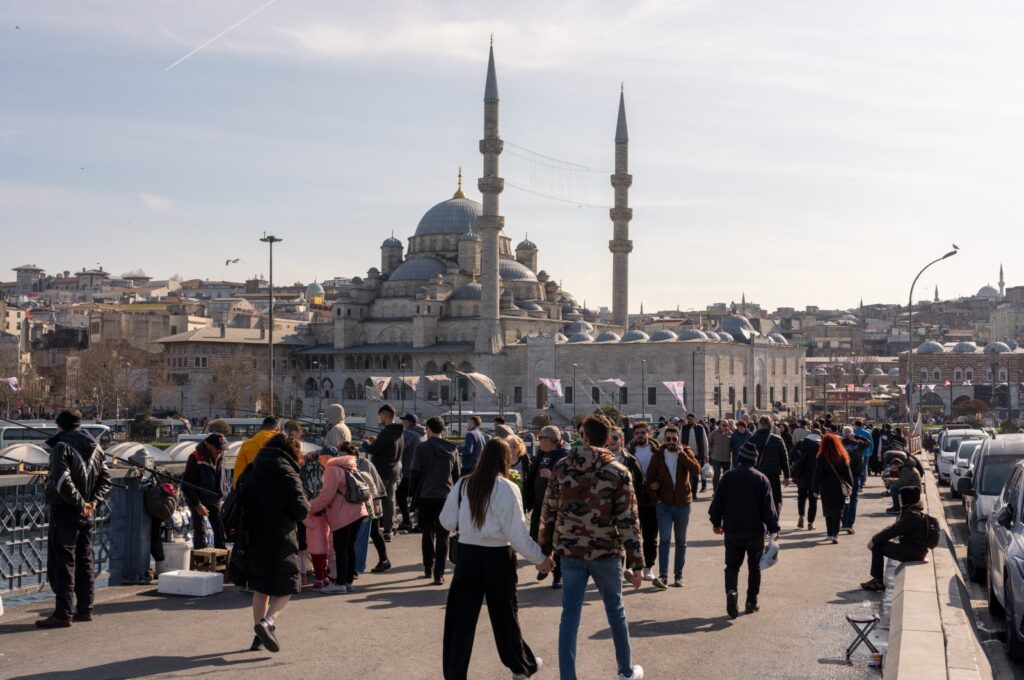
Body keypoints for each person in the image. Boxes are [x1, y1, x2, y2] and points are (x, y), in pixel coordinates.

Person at [539, 415, 645, 680]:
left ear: (583, 437)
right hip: (606, 551)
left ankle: (568, 676)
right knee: (615, 611)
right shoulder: (619, 472)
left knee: (570, 616)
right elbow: (629, 521)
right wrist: (637, 563)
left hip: (571, 552)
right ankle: (626, 671)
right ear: (609, 439)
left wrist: (544, 551)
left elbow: (548, 511)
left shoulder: (563, 467)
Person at [441, 439, 549, 680]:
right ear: (505, 459)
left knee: (460, 620)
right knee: (505, 616)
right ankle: (520, 666)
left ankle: (455, 674)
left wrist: (467, 524)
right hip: (498, 556)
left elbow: (446, 521)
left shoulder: (464, 484)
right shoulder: (507, 488)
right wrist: (540, 558)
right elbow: (517, 534)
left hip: (468, 555)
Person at [231, 433, 309, 652]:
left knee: (261, 586)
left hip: (253, 535)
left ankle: (258, 637)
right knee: (288, 584)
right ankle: (268, 623)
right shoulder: (287, 471)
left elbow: (239, 495)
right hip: (280, 536)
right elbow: (301, 510)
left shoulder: (253, 468)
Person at [36, 410, 112, 628]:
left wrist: (80, 505)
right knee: (85, 560)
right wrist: (93, 503)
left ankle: (63, 613)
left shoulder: (61, 447)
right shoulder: (97, 448)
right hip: (87, 513)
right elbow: (106, 479)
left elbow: (61, 480)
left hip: (67, 512)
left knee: (64, 563)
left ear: (60, 426)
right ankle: (85, 608)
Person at [708, 440, 780, 618]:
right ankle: (751, 602)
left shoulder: (728, 477)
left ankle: (731, 591)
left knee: (732, 566)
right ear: (754, 460)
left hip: (732, 531)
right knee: (754, 567)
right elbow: (768, 509)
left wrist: (716, 523)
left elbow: (717, 504)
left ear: (739, 458)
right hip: (754, 532)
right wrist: (774, 530)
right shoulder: (761, 479)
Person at [308, 441, 369, 594]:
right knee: (349, 548)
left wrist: (309, 507)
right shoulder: (349, 465)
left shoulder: (332, 469)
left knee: (341, 549)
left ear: (326, 458)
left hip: (343, 514)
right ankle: (348, 582)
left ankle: (340, 584)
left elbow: (326, 496)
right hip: (358, 510)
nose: (319, 460)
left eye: (321, 457)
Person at [645, 425, 701, 589]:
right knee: (664, 541)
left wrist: (682, 453)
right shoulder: (658, 456)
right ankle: (663, 576)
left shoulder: (686, 452)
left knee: (681, 542)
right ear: (664, 440)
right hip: (664, 505)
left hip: (683, 504)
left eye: (674, 439)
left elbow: (696, 470)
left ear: (678, 440)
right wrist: (657, 500)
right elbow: (649, 480)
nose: (671, 442)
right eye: (668, 439)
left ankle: (678, 576)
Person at [411, 416, 460, 584]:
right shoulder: (452, 449)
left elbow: (415, 473)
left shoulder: (422, 448)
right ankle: (439, 574)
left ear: (429, 430)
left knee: (427, 533)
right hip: (446, 497)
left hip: (426, 496)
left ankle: (427, 567)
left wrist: (413, 495)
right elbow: (457, 476)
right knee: (443, 536)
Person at [524, 424, 570, 589]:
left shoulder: (565, 455)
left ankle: (558, 575)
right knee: (538, 537)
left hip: (556, 506)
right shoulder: (542, 452)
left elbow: (570, 481)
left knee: (555, 541)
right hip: (539, 504)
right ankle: (545, 564)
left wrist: (552, 476)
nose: (538, 441)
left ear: (551, 440)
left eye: (541, 438)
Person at [861, 486, 930, 591]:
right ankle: (877, 580)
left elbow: (893, 531)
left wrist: (874, 540)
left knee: (878, 546)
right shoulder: (914, 511)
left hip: (914, 552)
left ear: (907, 498)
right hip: (916, 550)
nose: (899, 499)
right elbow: (895, 527)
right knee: (879, 542)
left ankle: (878, 581)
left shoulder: (912, 516)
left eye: (901, 497)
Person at [608, 425, 646, 579]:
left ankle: (630, 569)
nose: (612, 441)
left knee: (630, 538)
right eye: (609, 438)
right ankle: (617, 572)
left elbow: (640, 484)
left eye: (615, 438)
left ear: (622, 440)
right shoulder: (599, 460)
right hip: (606, 509)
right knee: (614, 543)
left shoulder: (631, 460)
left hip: (627, 507)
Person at [362, 404, 404, 541]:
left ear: (386, 415)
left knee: (376, 499)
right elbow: (386, 446)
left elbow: (374, 450)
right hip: (394, 471)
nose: (379, 418)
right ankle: (388, 529)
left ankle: (375, 530)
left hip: (382, 471)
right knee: (390, 501)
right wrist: (376, 441)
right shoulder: (398, 432)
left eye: (380, 415)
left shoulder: (386, 432)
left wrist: (365, 444)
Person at [182, 433, 228, 550]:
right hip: (197, 498)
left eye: (221, 449)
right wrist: (197, 505)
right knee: (200, 530)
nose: (219, 451)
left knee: (219, 529)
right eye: (217, 448)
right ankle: (199, 560)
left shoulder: (220, 456)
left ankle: (221, 560)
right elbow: (186, 485)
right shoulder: (195, 457)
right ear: (208, 445)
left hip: (214, 498)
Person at [626, 421, 659, 581]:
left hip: (653, 499)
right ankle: (634, 566)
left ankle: (648, 567)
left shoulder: (657, 451)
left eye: (643, 433)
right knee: (632, 535)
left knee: (650, 536)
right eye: (637, 433)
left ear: (649, 434)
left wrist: (658, 483)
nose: (640, 436)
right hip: (634, 498)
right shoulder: (628, 452)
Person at [350, 441, 387, 577]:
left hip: (371, 502)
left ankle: (382, 559)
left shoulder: (362, 464)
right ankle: (384, 559)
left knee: (372, 532)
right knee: (374, 533)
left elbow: (369, 485)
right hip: (374, 500)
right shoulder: (363, 462)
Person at [812, 433, 854, 544]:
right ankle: (835, 535)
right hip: (839, 487)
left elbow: (817, 474)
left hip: (825, 487)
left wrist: (815, 489)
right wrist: (850, 485)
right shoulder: (842, 455)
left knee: (828, 511)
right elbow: (848, 474)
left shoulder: (821, 457)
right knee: (838, 511)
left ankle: (829, 533)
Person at [750, 416, 791, 516]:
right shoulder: (777, 439)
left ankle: (761, 521)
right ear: (770, 426)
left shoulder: (752, 439)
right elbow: (784, 459)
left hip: (757, 474)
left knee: (759, 498)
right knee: (776, 499)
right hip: (773, 475)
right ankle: (774, 520)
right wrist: (787, 476)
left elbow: (748, 458)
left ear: (760, 425)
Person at [399, 412, 427, 532]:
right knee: (419, 498)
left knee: (400, 496)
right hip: (421, 471)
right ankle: (420, 523)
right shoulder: (423, 434)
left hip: (409, 471)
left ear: (409, 422)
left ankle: (407, 521)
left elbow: (401, 447)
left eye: (404, 421)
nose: (403, 423)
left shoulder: (409, 433)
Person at [233, 416, 280, 486]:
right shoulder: (284, 444)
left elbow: (239, 470)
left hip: (252, 489)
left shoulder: (246, 444)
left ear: (263, 428)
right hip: (277, 488)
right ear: (278, 429)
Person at [840, 426, 869, 535]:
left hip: (843, 476)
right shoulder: (858, 444)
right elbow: (868, 443)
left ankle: (843, 521)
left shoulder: (840, 445)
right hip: (856, 475)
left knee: (843, 498)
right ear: (851, 434)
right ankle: (849, 524)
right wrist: (857, 436)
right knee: (853, 499)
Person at [790, 432, 821, 530]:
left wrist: (795, 461)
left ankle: (801, 516)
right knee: (813, 500)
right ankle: (810, 523)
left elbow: (790, 455)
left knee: (801, 496)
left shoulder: (801, 443)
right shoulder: (820, 445)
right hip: (815, 476)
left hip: (801, 474)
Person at [679, 413, 709, 496]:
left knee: (695, 474)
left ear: (695, 419)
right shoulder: (684, 428)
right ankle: (688, 491)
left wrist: (706, 454)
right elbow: (680, 440)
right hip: (687, 454)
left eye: (691, 419)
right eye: (688, 419)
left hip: (698, 455)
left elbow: (705, 441)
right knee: (688, 475)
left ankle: (694, 493)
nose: (689, 420)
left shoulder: (700, 428)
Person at [708, 420, 733, 492]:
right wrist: (711, 451)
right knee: (716, 476)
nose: (725, 427)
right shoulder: (714, 433)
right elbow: (709, 443)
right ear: (720, 425)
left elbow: (732, 445)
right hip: (716, 458)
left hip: (726, 459)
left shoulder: (731, 434)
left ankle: (725, 491)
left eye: (726, 425)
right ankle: (716, 491)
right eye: (723, 425)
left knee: (726, 476)